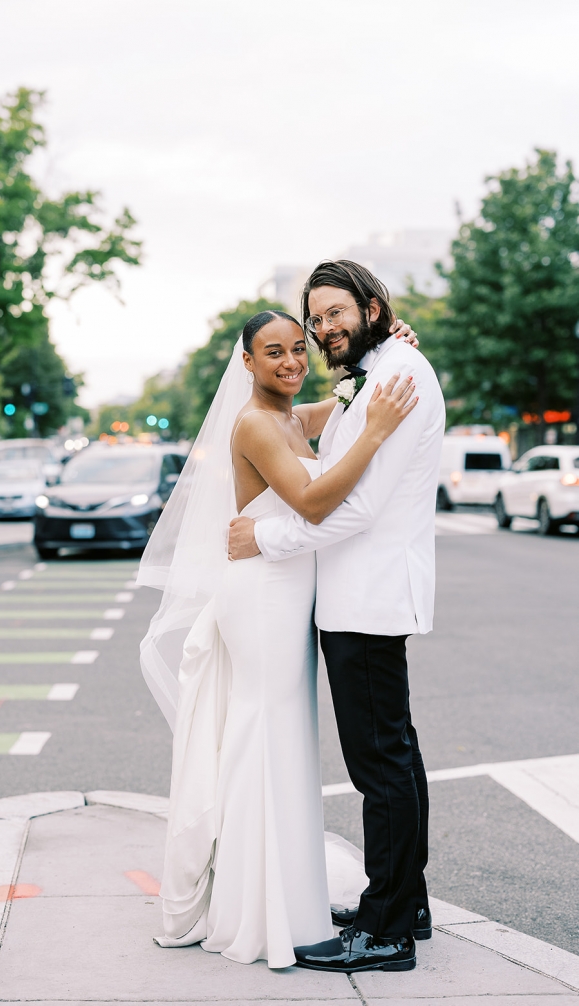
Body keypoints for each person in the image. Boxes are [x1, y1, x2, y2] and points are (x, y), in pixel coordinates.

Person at [137, 305, 418, 969]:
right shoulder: (256, 424)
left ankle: (285, 896)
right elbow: (312, 502)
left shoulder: (293, 414)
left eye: (298, 347)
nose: (291, 361)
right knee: (262, 736)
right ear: (246, 362)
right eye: (273, 352)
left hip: (286, 596)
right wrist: (373, 436)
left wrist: (387, 347)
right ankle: (254, 911)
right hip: (261, 596)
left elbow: (343, 394)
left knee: (285, 739)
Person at [229, 260, 446, 974]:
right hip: (361, 595)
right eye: (314, 317)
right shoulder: (376, 370)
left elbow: (352, 508)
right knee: (394, 761)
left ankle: (386, 931)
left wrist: (265, 537)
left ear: (373, 306)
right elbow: (329, 450)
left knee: (379, 769)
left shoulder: (395, 375)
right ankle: (403, 902)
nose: (323, 328)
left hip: (367, 598)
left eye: (334, 313)